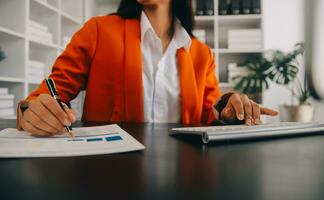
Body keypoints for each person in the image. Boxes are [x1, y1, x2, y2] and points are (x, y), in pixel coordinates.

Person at [17, 0, 278, 136]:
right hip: (108, 175)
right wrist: (33, 110)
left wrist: (230, 106)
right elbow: (48, 94)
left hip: (186, 176)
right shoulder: (98, 30)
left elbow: (210, 112)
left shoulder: (201, 53)